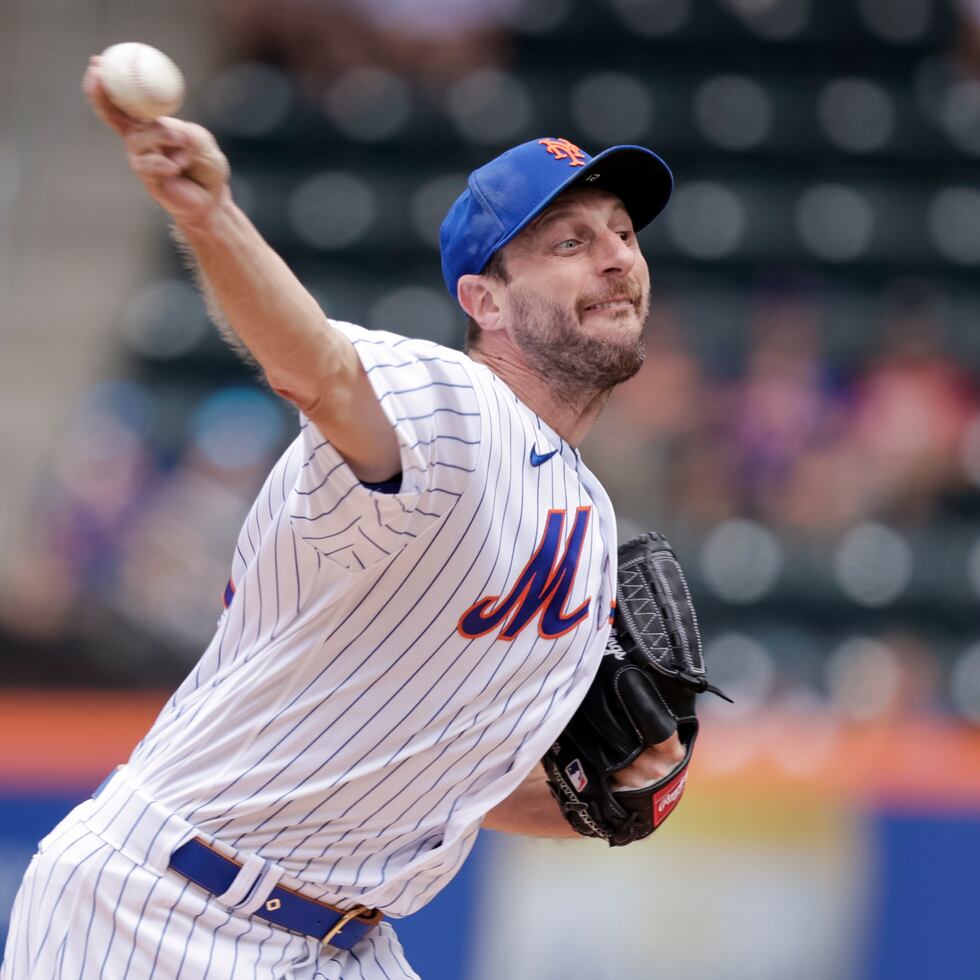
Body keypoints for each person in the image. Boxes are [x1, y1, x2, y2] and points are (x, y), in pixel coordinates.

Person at [1, 57, 683, 980]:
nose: (615, 257)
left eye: (622, 234)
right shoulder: (455, 406)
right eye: (567, 242)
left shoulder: (589, 517)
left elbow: (463, 783)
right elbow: (316, 369)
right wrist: (209, 215)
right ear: (483, 300)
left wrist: (607, 797)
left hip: (342, 943)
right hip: (159, 918)